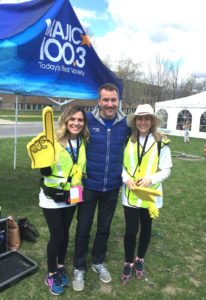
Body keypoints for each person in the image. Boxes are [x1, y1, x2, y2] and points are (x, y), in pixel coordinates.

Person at [73, 83, 130, 291]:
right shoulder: (86, 119)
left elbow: (143, 133)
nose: (109, 104)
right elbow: (69, 130)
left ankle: (98, 261)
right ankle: (79, 266)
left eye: (113, 100)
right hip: (89, 185)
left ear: (118, 101)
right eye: (105, 100)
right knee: (83, 228)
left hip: (112, 186)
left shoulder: (125, 123)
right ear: (99, 101)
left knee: (104, 228)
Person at [27, 105, 88, 296]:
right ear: (65, 120)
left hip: (73, 195)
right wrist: (44, 166)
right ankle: (51, 273)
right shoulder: (53, 141)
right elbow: (42, 164)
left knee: (66, 233)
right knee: (57, 235)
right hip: (52, 198)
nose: (76, 123)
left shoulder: (82, 142)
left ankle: (60, 266)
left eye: (80, 120)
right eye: (73, 119)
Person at [120, 104, 172, 284]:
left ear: (152, 121)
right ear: (135, 121)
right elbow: (121, 165)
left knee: (146, 228)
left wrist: (150, 179)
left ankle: (140, 259)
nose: (143, 122)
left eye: (147, 118)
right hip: (131, 192)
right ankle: (128, 261)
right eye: (140, 118)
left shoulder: (161, 141)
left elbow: (166, 170)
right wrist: (126, 177)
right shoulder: (127, 139)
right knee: (131, 230)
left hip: (150, 194)